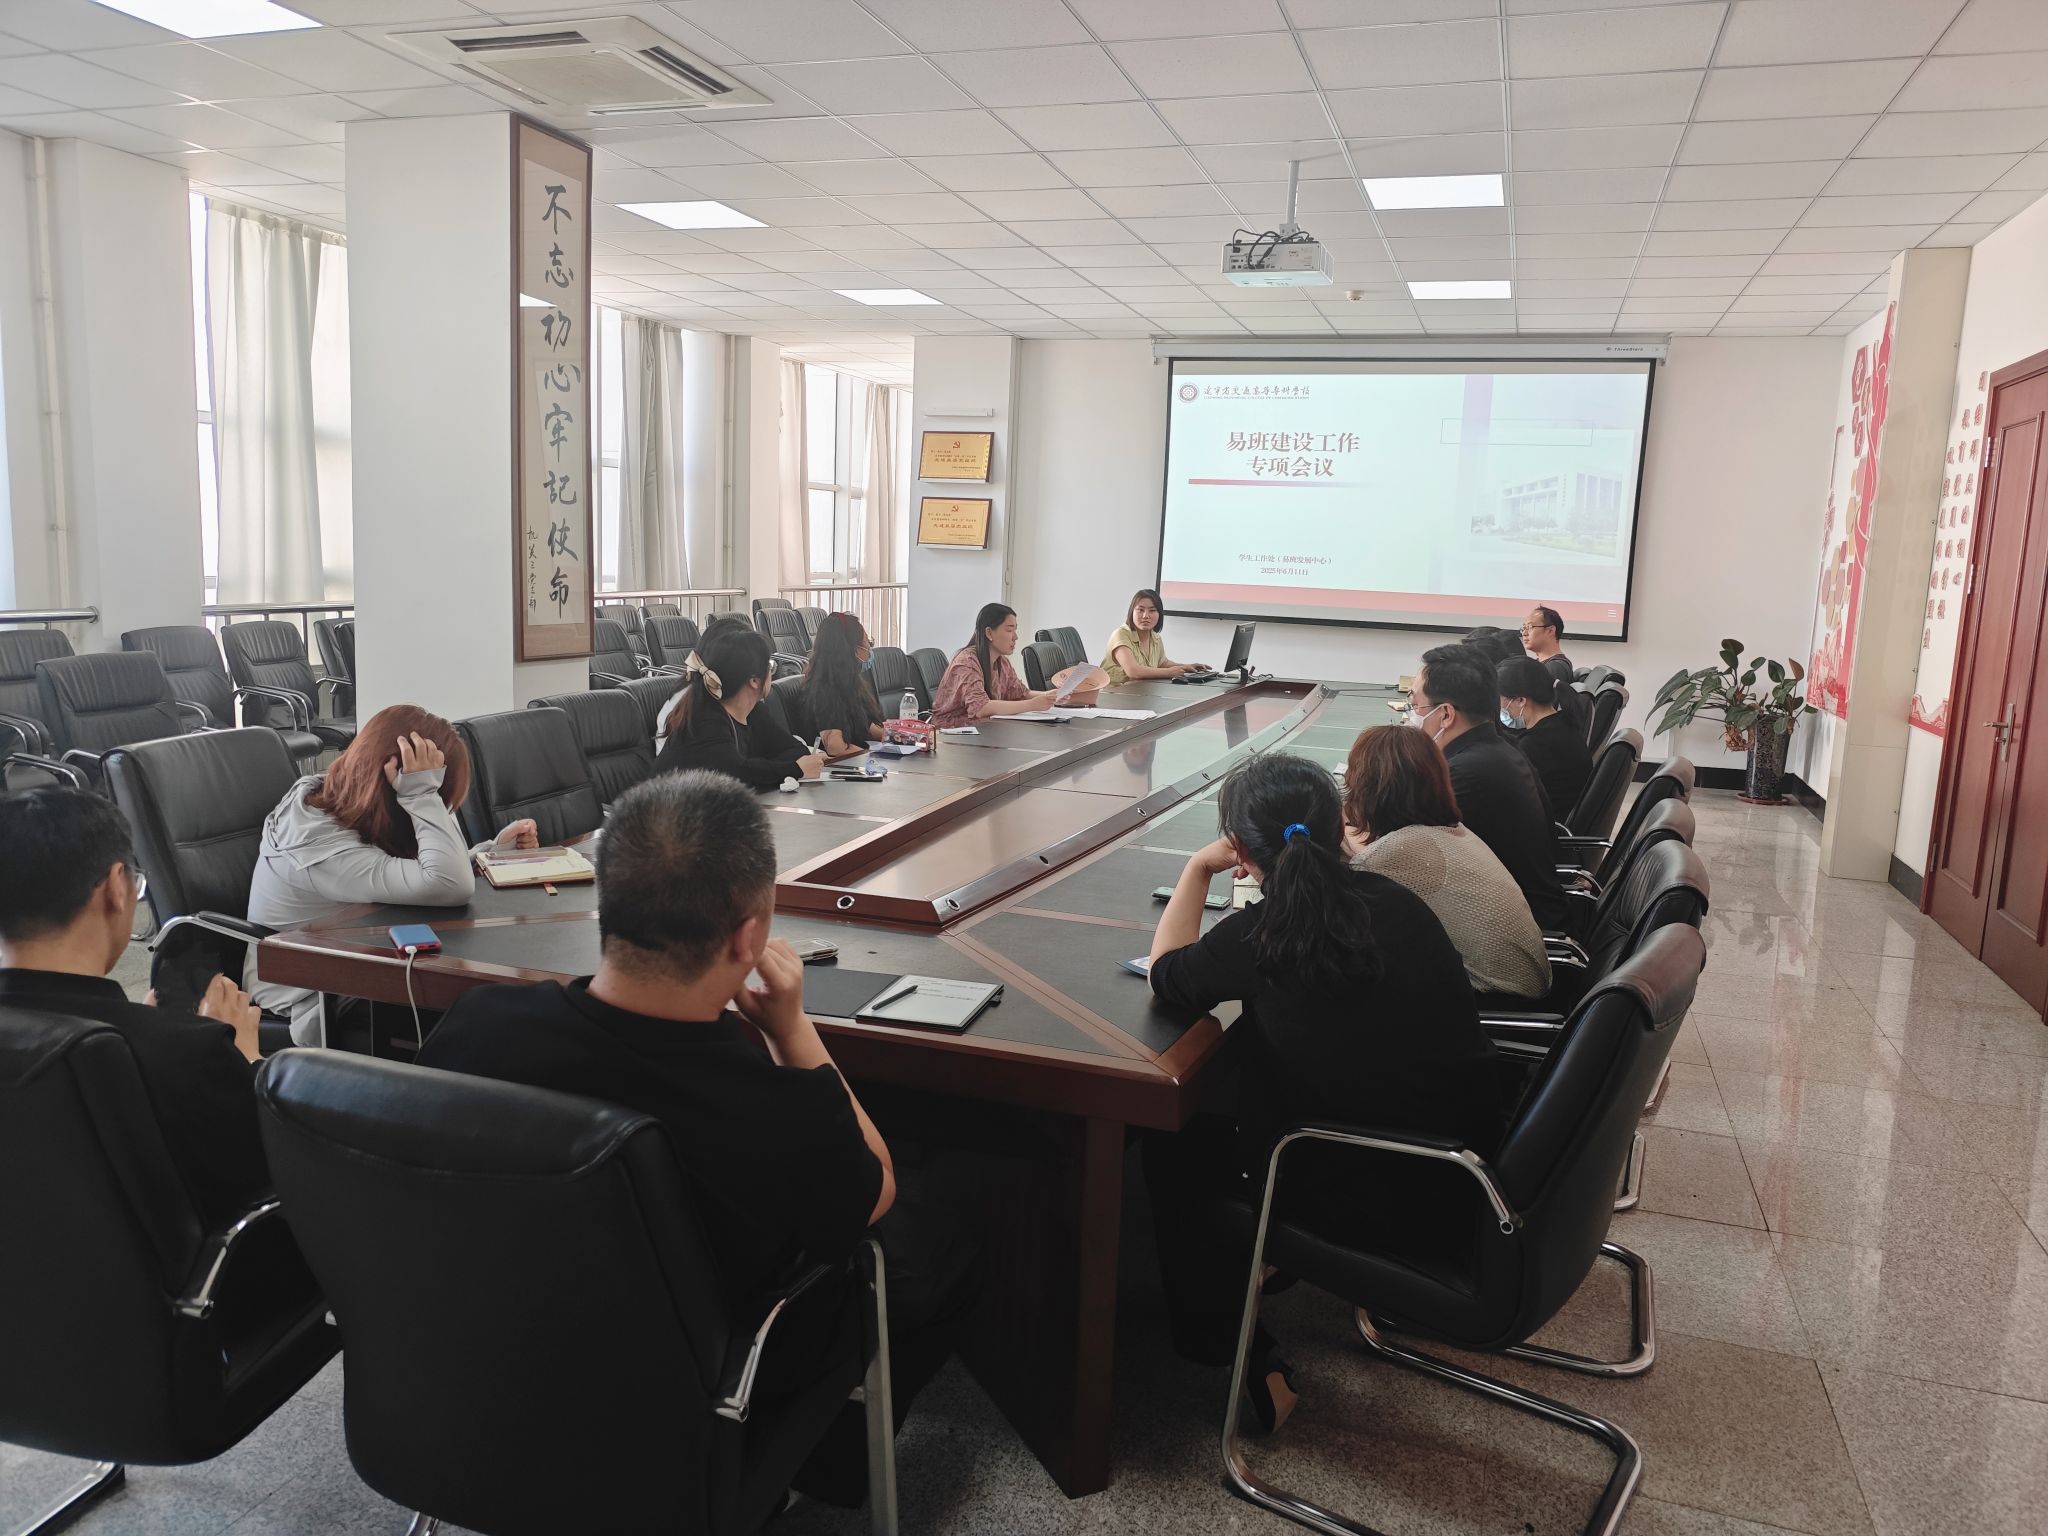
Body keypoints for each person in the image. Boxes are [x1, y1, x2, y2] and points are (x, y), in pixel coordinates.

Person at [418, 771, 981, 1505]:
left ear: (604, 907)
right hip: (698, 1391)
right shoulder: (772, 1106)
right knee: (947, 1239)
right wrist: (791, 1029)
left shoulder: (476, 1024)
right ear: (749, 937)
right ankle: (813, 1468)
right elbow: (878, 1185)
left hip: (481, 1374)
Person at [1142, 754, 1507, 1434]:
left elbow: (1165, 973)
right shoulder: (1397, 901)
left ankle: (1236, 1353)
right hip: (1466, 1172)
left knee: (1173, 1145)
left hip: (1389, 1202)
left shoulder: (1262, 933)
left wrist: (1196, 868)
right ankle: (1261, 1267)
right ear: (1341, 826)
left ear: (1241, 851)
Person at [0, 787, 269, 1229]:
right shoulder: (190, 1053)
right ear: (115, 888)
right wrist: (246, 1062)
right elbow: (263, 1189)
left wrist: (150, 1026)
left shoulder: (147, 1043)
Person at [247, 704, 539, 1044]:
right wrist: (421, 794)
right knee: (496, 1018)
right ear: (394, 784)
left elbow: (423, 875)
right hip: (310, 985)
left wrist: (487, 854)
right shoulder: (323, 849)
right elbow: (448, 884)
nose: (440, 804)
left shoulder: (349, 800)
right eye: (437, 794)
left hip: (366, 952)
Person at [1342, 726, 1550, 1000]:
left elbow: (1357, 879)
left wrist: (1336, 835)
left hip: (1497, 1003)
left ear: (1369, 790)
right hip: (1532, 986)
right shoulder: (1453, 831)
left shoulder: (1401, 850)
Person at [1407, 644, 1569, 932]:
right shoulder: (1496, 747)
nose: (1412, 715)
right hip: (1518, 909)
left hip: (1509, 932)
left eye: (1415, 704)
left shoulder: (1466, 773)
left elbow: (1407, 858)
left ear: (1446, 714)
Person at [654, 626, 826, 789]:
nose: (771, 673)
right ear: (754, 681)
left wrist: (764, 768)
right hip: (665, 807)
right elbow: (735, 773)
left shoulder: (753, 711)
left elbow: (795, 749)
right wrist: (794, 768)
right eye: (769, 666)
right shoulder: (705, 720)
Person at [929, 603, 1056, 726]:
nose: (1015, 637)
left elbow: (1021, 693)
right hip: (952, 732)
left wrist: (1051, 695)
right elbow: (981, 708)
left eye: (1015, 630)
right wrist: (1032, 705)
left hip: (985, 729)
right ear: (989, 633)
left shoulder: (1002, 661)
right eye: (1009, 630)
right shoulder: (966, 662)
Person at [785, 612, 887, 759]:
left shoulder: (849, 684)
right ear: (853, 651)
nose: (870, 649)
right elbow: (836, 748)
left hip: (858, 765)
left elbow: (867, 727)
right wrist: (872, 757)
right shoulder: (823, 691)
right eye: (867, 643)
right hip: (838, 769)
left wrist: (899, 736)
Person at [1499, 655, 1593, 814]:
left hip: (1545, 824)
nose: (1499, 708)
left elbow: (1507, 798)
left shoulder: (1536, 745)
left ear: (1520, 700)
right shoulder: (1561, 724)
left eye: (1500, 700)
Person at [1102, 588, 1207, 685]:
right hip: (1115, 695)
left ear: (1159, 614)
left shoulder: (1155, 637)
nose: (1145, 616)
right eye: (1140, 610)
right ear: (1131, 612)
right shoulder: (1120, 634)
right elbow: (1133, 672)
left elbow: (1162, 663)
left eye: (1152, 610)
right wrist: (1169, 673)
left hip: (1141, 693)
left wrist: (1186, 667)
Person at [1520, 604, 1575, 687]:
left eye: (1530, 627)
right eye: (1524, 628)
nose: (1524, 633)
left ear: (1550, 630)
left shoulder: (1555, 668)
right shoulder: (1541, 665)